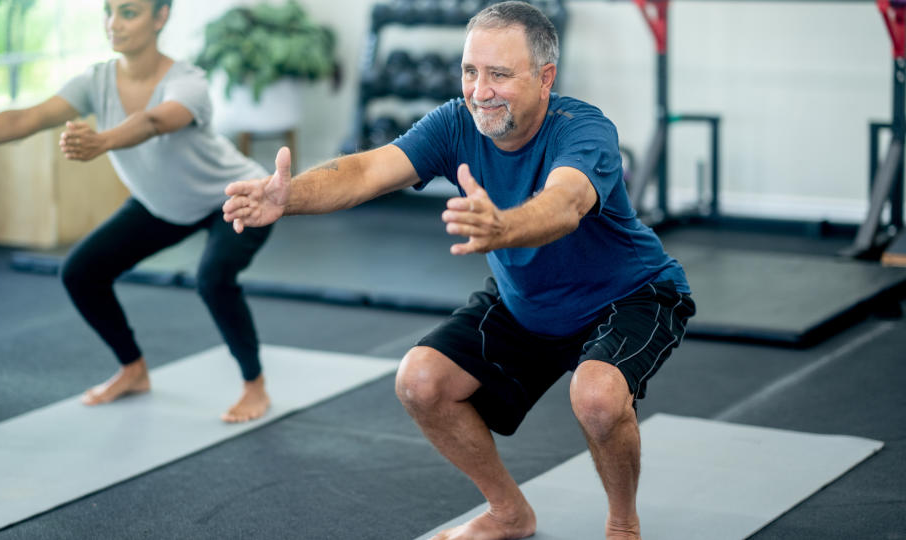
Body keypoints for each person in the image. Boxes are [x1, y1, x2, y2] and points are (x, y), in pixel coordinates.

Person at [224, 1, 694, 537]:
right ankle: (508, 512)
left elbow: (565, 205)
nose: (479, 90)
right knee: (420, 381)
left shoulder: (584, 129)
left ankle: (623, 524)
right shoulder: (455, 123)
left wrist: (504, 228)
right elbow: (367, 170)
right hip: (530, 301)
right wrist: (289, 196)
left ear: (546, 78)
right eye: (470, 71)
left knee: (597, 397)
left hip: (630, 294)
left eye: (499, 74)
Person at [0, 0, 274, 423]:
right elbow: (27, 119)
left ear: (161, 17)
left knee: (213, 279)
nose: (114, 24)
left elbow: (156, 121)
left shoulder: (188, 82)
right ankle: (133, 370)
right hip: (162, 204)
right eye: (109, 11)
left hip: (234, 196)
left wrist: (101, 141)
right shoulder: (96, 80)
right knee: (81, 272)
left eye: (129, 13)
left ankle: (254, 385)